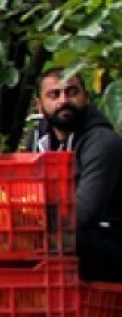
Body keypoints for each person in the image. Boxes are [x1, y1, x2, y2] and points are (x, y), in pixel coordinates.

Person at [25, 69, 122, 282]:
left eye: (72, 92)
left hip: (109, 239)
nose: (64, 101)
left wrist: (30, 226)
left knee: (65, 240)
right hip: (60, 233)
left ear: (85, 98)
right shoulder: (37, 140)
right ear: (39, 105)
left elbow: (84, 214)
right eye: (54, 95)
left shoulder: (102, 142)